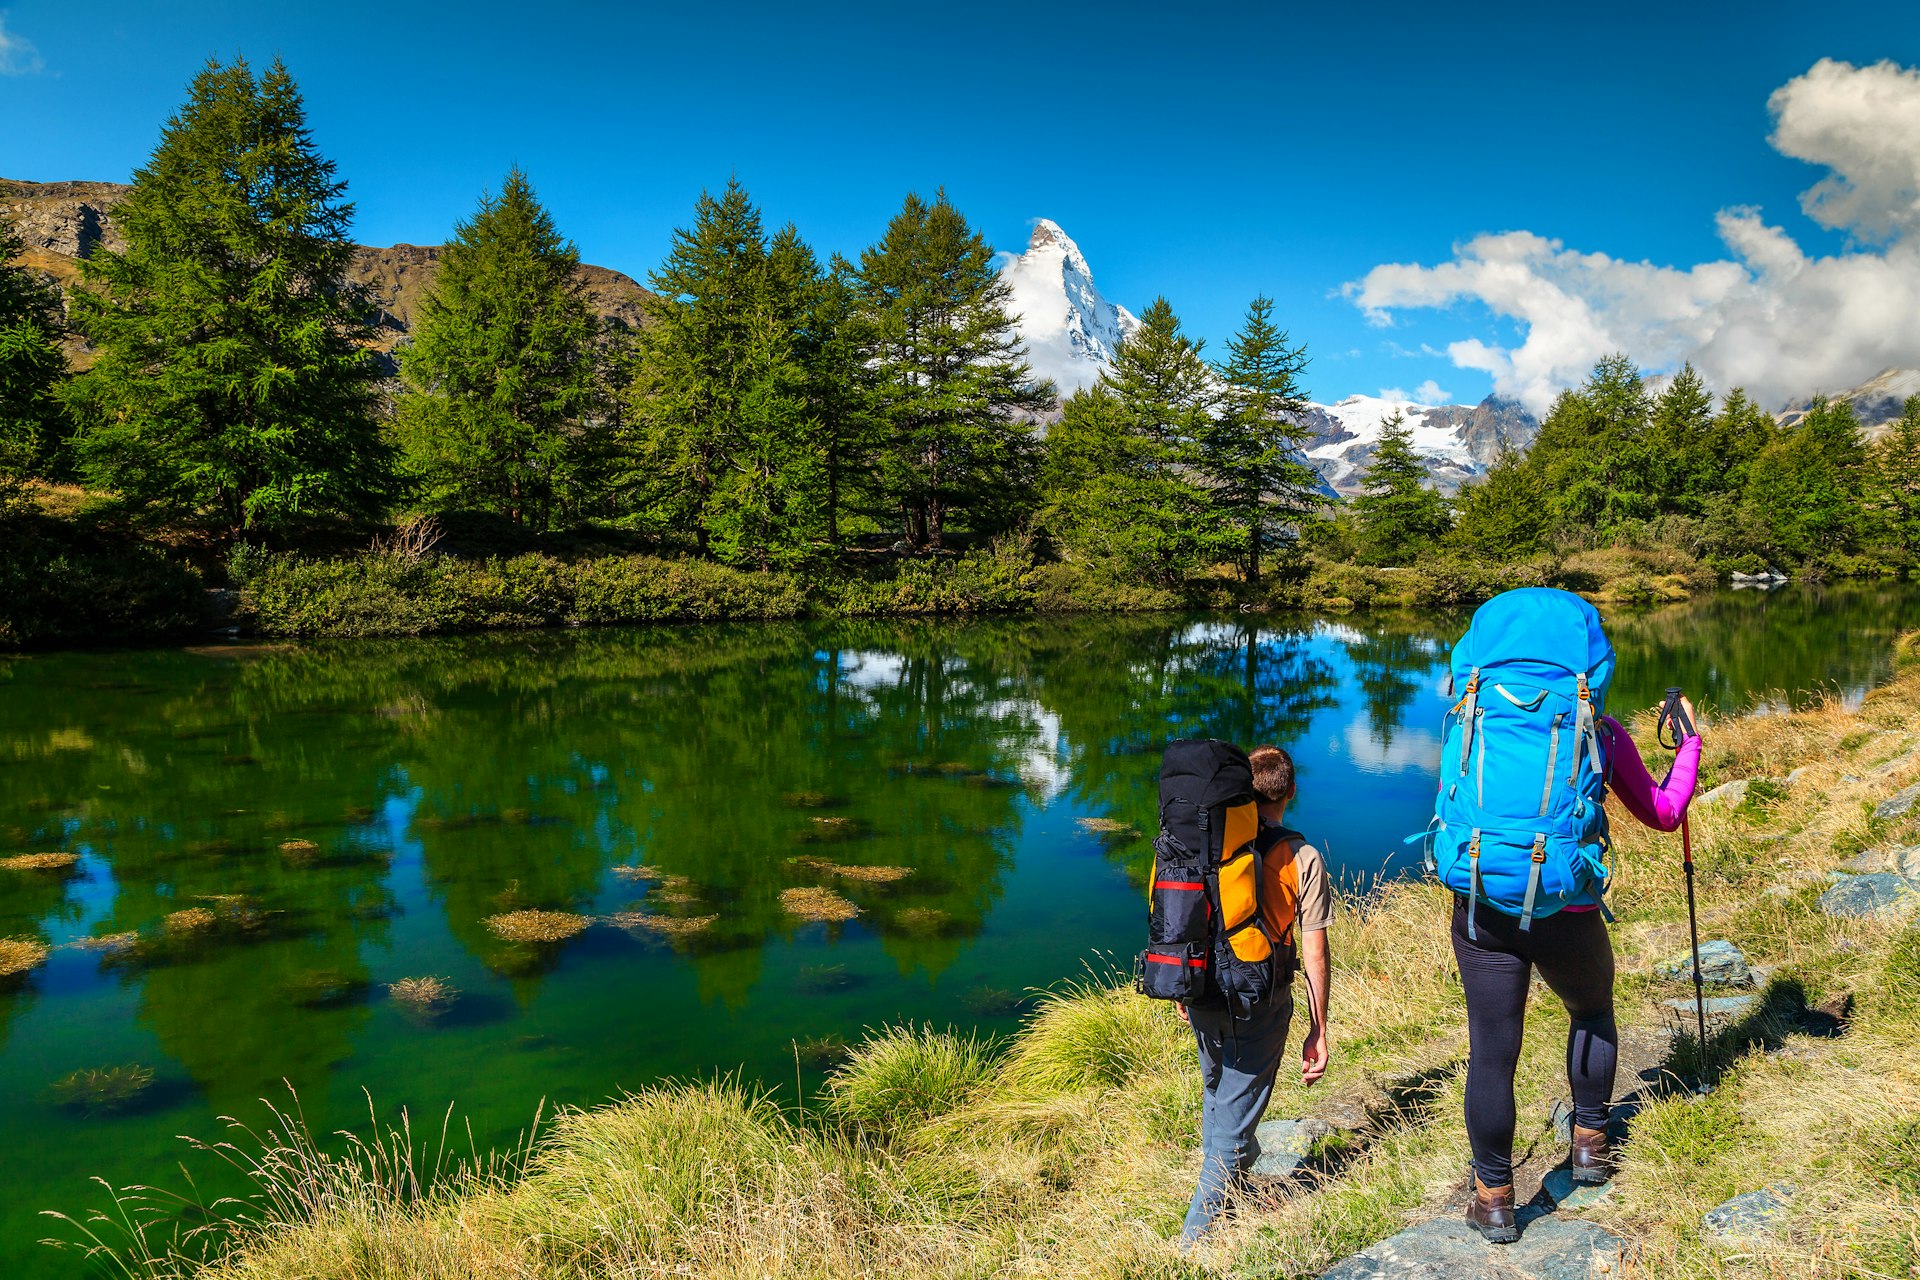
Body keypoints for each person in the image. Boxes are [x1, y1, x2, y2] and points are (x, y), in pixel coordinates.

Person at [1460, 698, 1701, 1242]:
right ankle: (1590, 1147)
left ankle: (1495, 1200)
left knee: (1492, 1048)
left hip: (1481, 906)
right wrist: (1689, 742)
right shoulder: (1601, 733)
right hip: (1567, 908)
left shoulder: (1474, 722)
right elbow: (1664, 813)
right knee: (1591, 1011)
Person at [1175, 743, 1334, 1245]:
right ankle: (1191, 1244)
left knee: (1219, 1095)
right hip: (1259, 1004)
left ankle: (1232, 1196)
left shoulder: (1209, 841)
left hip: (1203, 993)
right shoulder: (1301, 856)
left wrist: (1184, 985)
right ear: (1291, 791)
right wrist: (1319, 1028)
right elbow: (1315, 954)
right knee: (1233, 1118)